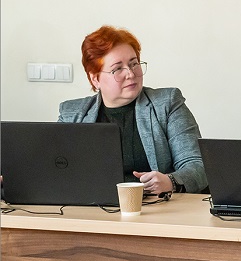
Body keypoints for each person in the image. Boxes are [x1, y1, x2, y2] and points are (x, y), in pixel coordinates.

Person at [58, 25, 208, 194]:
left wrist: (170, 182)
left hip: (156, 204)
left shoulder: (167, 103)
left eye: (134, 63)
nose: (130, 73)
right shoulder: (72, 114)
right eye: (117, 69)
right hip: (94, 204)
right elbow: (58, 170)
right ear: (95, 79)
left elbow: (198, 165)